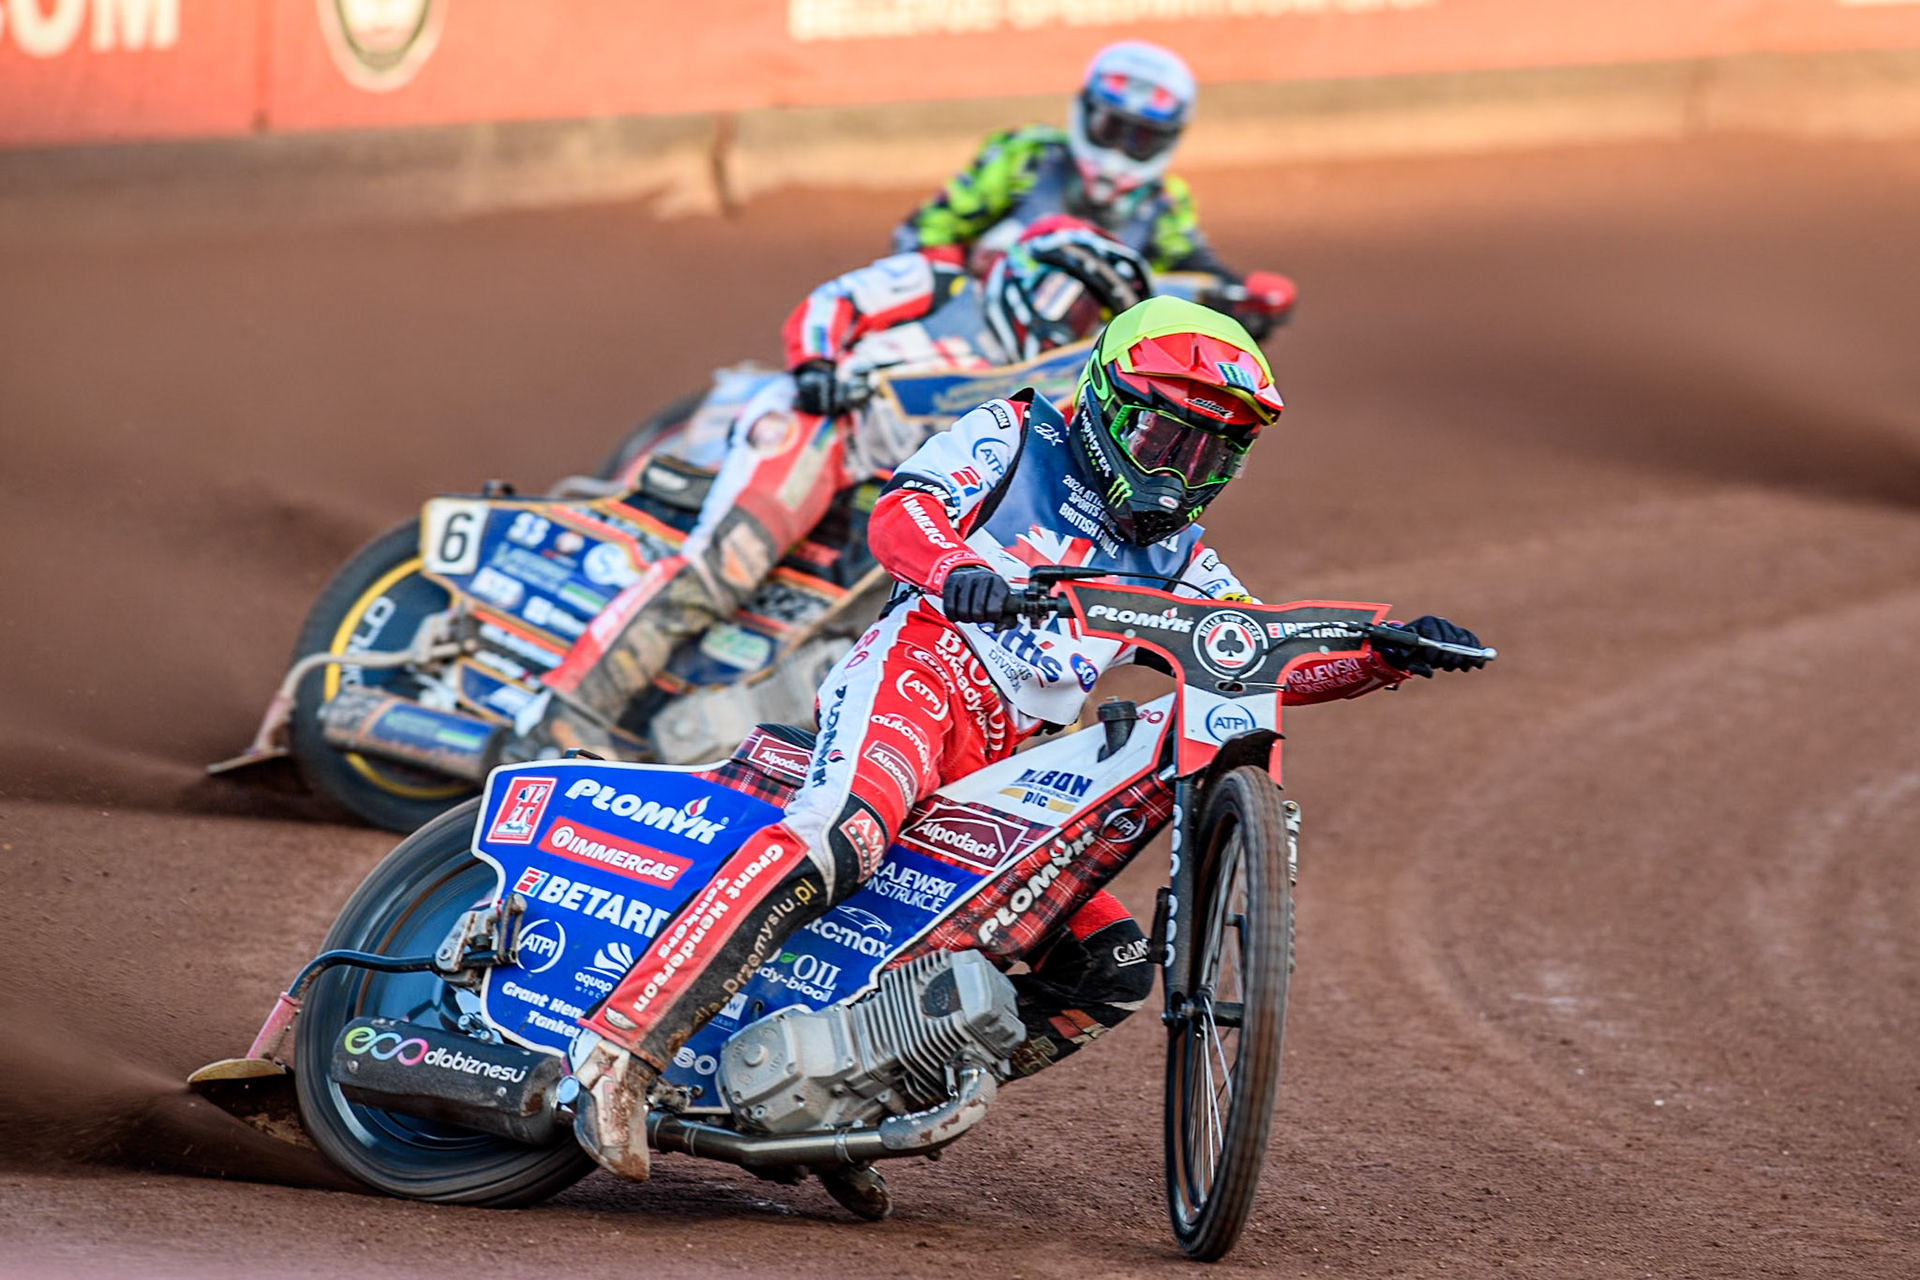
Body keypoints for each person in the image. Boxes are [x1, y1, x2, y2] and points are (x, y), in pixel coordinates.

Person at [568, 296, 1486, 1184]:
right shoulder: (1015, 434)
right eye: (1164, 437)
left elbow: (1253, 663)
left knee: (1111, 969)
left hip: (1018, 758)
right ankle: (621, 1052)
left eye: (1210, 453)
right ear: (1106, 401)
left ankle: (848, 1111)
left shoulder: (1182, 560)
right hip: (922, 678)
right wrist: (956, 567)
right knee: (840, 834)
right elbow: (902, 514)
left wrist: (1386, 656)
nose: (1177, 469)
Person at [360, 220, 1152, 773]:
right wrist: (818, 362)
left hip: (882, 486)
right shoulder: (942, 282)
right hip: (816, 426)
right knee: (724, 571)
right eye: (1064, 301)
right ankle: (556, 719)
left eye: (1088, 322)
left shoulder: (1043, 394)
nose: (1064, 327)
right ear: (1022, 269)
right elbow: (834, 302)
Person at [892, 41, 1295, 338]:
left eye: (1140, 139)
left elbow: (1195, 272)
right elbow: (918, 234)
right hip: (965, 334)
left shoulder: (1165, 204)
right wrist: (965, 267)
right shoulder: (1025, 157)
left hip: (1076, 371)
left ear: (1166, 140)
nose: (1119, 151)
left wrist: (1241, 306)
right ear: (1085, 113)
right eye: (1111, 129)